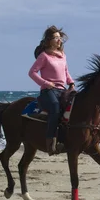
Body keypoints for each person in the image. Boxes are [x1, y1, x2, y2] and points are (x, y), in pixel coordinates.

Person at [28, 25, 75, 156]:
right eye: (56, 38)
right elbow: (32, 73)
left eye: (60, 38)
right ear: (49, 40)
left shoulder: (62, 55)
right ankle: (51, 145)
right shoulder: (44, 56)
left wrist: (71, 82)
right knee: (55, 107)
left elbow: (65, 71)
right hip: (48, 91)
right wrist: (45, 83)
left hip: (62, 90)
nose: (59, 41)